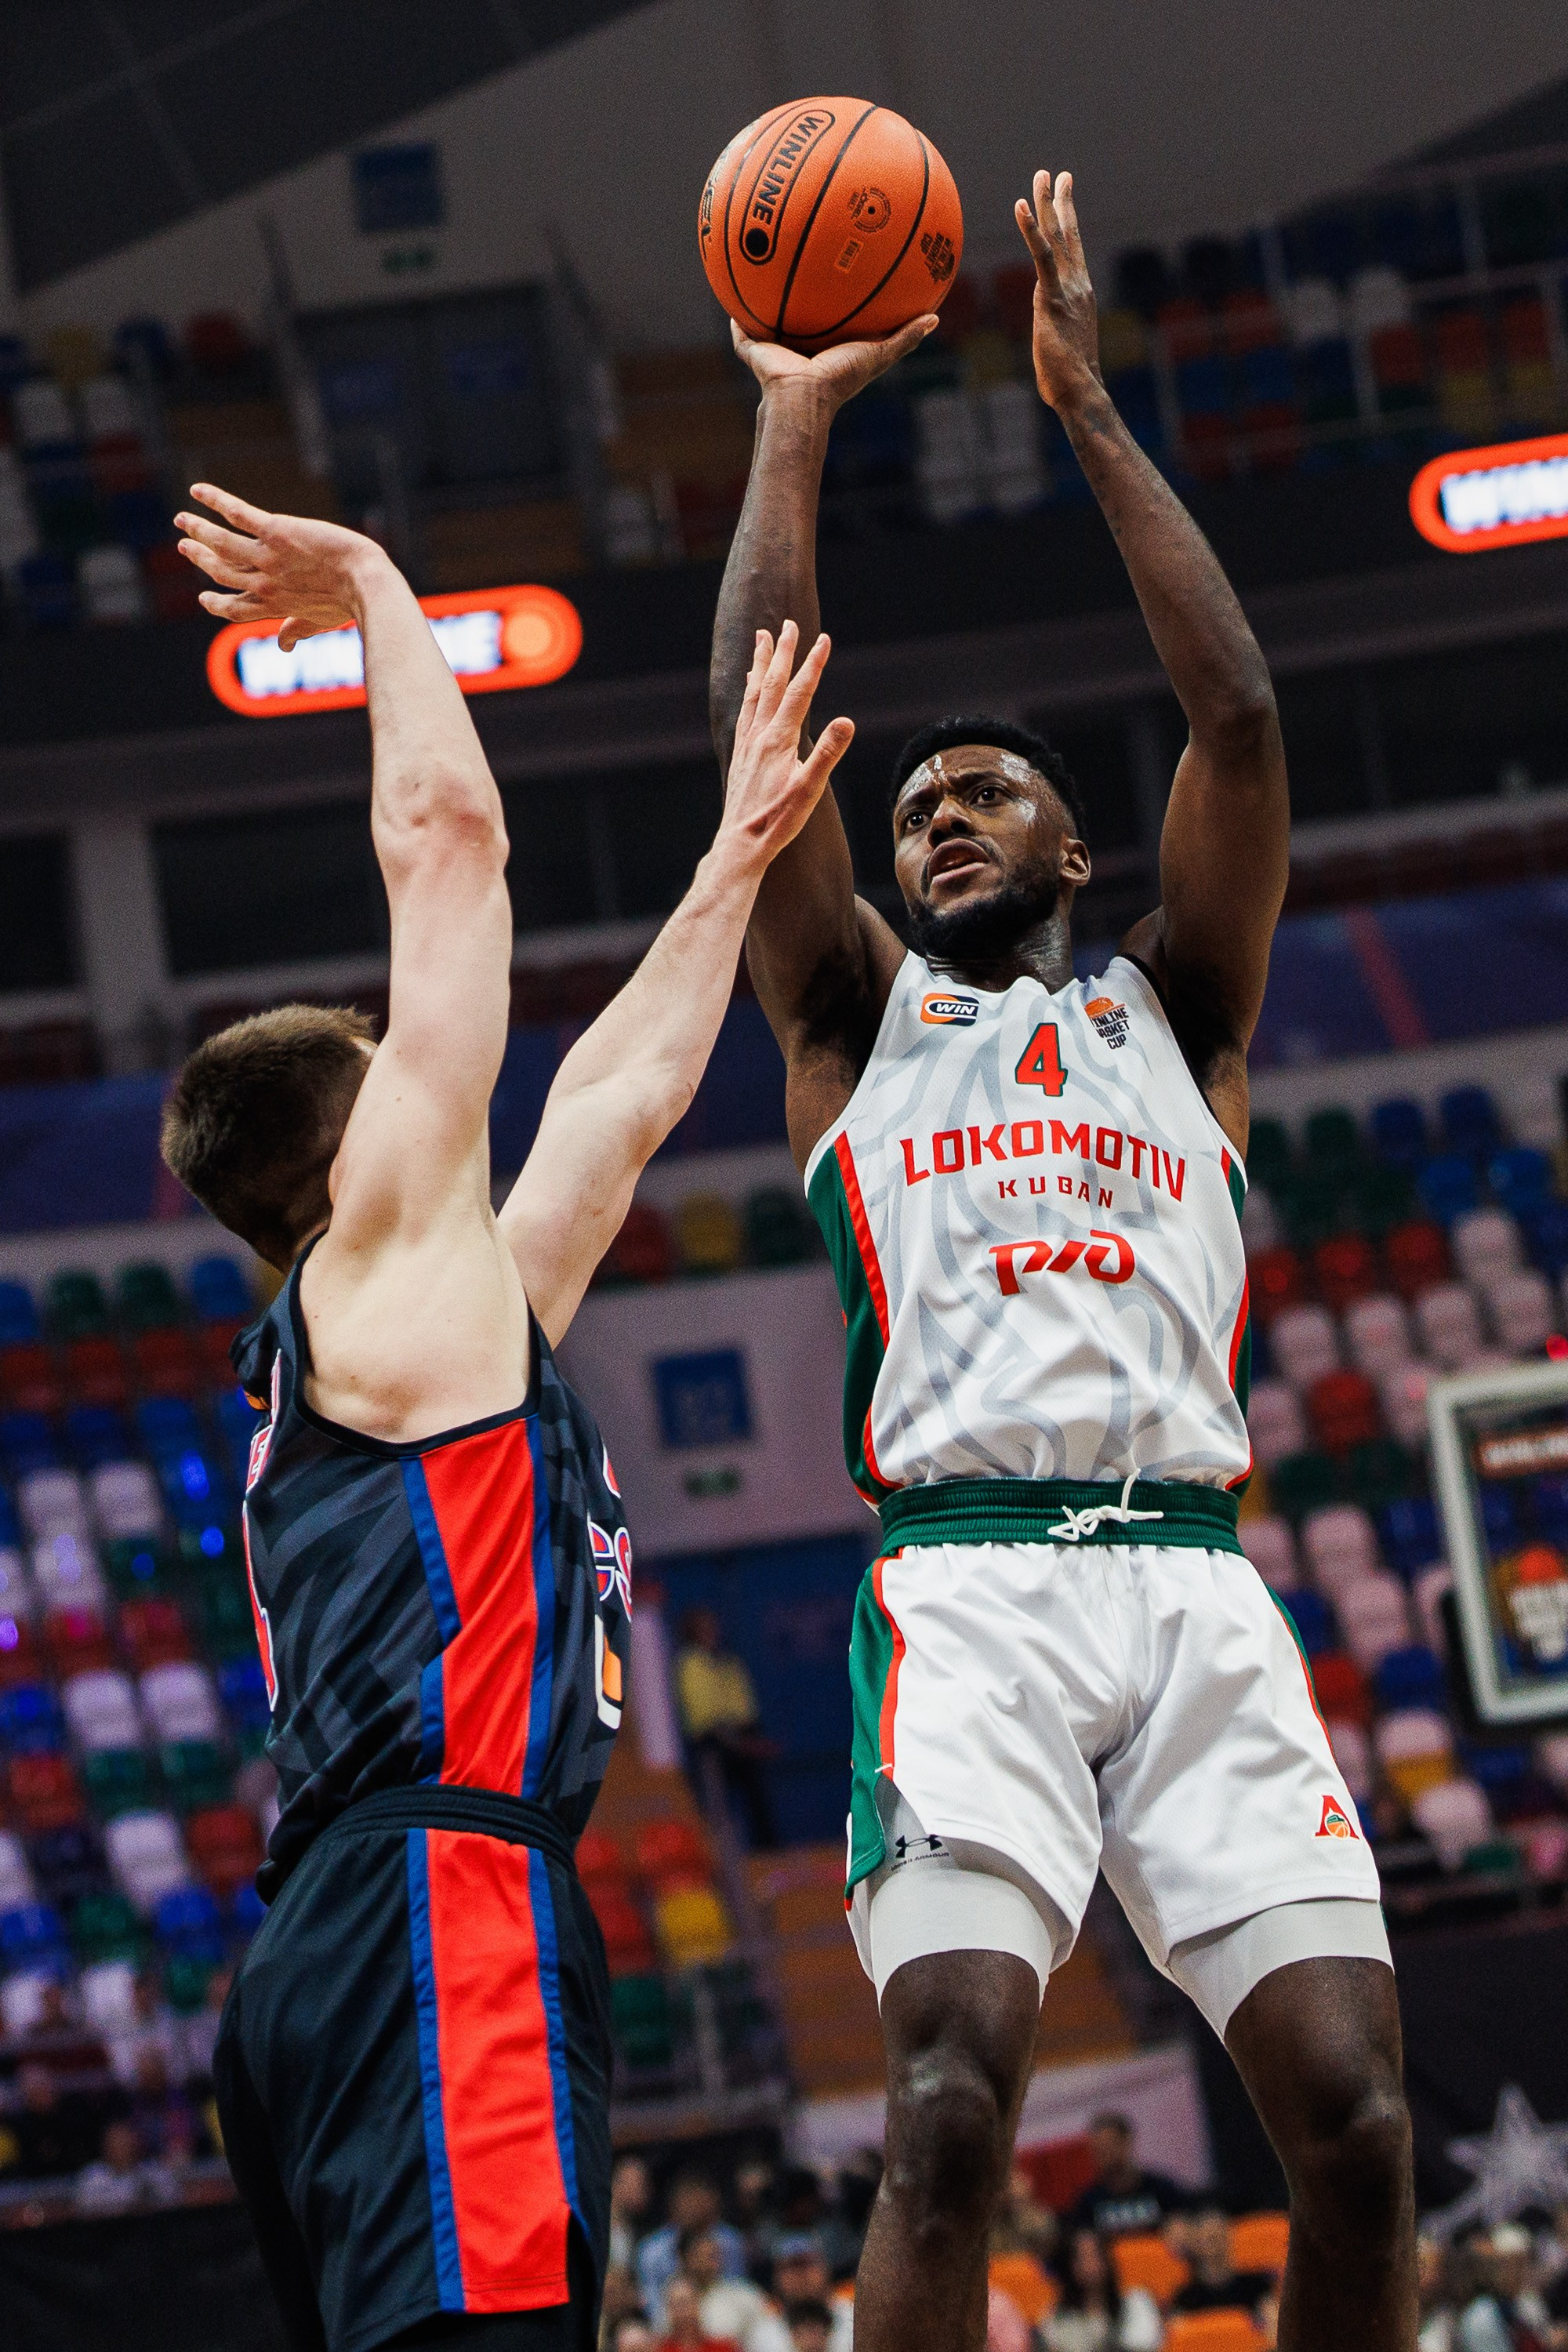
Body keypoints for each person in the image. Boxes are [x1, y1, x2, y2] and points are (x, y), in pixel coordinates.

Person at [708, 164, 1414, 2352]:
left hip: (1195, 1583)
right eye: (920, 802)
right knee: (943, 2107)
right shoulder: (853, 1022)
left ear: (1074, 851)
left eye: (992, 791)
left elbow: (1244, 729)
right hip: (977, 1591)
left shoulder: (1176, 1009)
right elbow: (756, 722)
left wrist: (1084, 402)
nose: (943, 812)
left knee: (1363, 2125)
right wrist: (795, 417)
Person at [167, 485, 855, 2352]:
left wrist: (730, 857)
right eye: (401, 1069)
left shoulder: (425, 1328)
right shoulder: (384, 1258)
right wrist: (380, 591)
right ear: (355, 1140)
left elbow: (614, 1113)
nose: (441, 1073)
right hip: (430, 1899)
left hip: (345, 1926)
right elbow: (449, 844)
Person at [674, 1606, 779, 1849]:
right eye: (705, 1628)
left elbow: (746, 1708)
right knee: (719, 1809)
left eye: (714, 1626)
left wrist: (753, 1741)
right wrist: (738, 1743)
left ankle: (767, 1855)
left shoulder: (730, 1663)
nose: (712, 1632)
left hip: (744, 1737)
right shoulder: (690, 1663)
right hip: (714, 1745)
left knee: (759, 1805)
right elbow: (704, 1719)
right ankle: (728, 1861)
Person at [638, 2170, 750, 2318]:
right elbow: (652, 2304)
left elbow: (738, 2289)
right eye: (687, 2199)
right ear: (673, 2204)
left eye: (698, 2199)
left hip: (723, 2319)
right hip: (670, 2326)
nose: (693, 2206)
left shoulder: (731, 2242)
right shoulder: (652, 2250)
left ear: (713, 2202)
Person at [1064, 2114, 1188, 2241]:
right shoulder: (1087, 2202)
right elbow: (1086, 2245)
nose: (1104, 2154)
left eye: (1109, 2145)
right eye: (1097, 2149)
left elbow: (1180, 2229)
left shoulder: (1162, 2189)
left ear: (1127, 2142)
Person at [1043, 2230, 1161, 2352]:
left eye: (1095, 2255)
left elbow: (1144, 2344)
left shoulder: (1137, 2303)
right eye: (1081, 2258)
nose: (1089, 2265)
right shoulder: (1058, 2318)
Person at [1169, 2209, 1276, 2326]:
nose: (1214, 2247)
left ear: (1230, 2237)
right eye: (1208, 2240)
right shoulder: (1185, 2298)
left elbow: (1274, 2327)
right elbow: (1177, 2336)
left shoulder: (1257, 2287)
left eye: (1218, 2237)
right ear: (1196, 2244)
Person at [681, 2223, 772, 2347]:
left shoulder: (743, 2294)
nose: (710, 2262)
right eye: (702, 2255)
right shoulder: (674, 2299)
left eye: (713, 2255)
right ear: (686, 2259)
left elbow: (769, 2331)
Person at [656, 2277, 736, 2352]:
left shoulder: (724, 2347)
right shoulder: (659, 2349)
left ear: (697, 2304)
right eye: (675, 2305)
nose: (682, 2311)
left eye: (685, 2303)